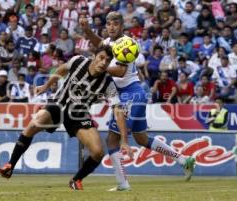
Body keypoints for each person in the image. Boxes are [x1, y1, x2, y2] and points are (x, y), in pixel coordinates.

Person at [80, 11, 195, 191]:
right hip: (134, 94)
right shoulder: (110, 43)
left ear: (122, 26)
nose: (111, 27)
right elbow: (100, 44)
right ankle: (183, 160)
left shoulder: (127, 44)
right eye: (108, 24)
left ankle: (123, 184)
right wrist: (87, 30)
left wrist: (98, 66)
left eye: (115, 24)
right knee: (141, 139)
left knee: (111, 140)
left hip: (129, 94)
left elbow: (120, 71)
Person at [0, 45, 132, 190]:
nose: (104, 62)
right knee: (34, 124)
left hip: (79, 115)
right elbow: (61, 70)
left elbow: (118, 110)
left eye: (108, 60)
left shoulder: (108, 83)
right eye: (101, 58)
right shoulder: (78, 61)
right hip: (59, 104)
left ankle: (76, 180)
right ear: (94, 57)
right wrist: (46, 86)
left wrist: (124, 140)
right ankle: (10, 165)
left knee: (98, 152)